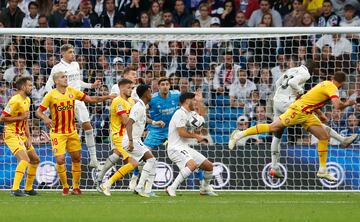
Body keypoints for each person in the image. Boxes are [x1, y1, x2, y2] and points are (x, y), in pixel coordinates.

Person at [229, 71, 357, 182]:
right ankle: (239, 134)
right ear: (343, 83)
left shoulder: (324, 83)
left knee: (323, 136)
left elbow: (308, 98)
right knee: (274, 127)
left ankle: (323, 169)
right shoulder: (332, 88)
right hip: (299, 110)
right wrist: (348, 103)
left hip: (306, 112)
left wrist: (320, 114)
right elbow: (337, 106)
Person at [267, 61, 358, 178]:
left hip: (277, 101)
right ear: (313, 70)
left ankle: (274, 167)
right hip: (289, 102)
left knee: (277, 135)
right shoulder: (306, 74)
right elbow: (292, 83)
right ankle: (342, 140)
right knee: (314, 123)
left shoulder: (292, 70)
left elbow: (278, 82)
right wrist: (299, 90)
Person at [36, 71, 115, 196]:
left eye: (66, 77)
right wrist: (45, 119)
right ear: (56, 81)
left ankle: (76, 187)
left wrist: (107, 97)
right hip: (57, 133)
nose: (66, 79)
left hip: (72, 131)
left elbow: (91, 99)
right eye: (63, 77)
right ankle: (65, 187)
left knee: (76, 158)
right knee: (60, 159)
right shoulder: (50, 95)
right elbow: (38, 112)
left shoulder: (72, 91)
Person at [102, 84, 165, 197]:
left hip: (136, 140)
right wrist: (131, 141)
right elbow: (129, 123)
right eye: (150, 92)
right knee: (151, 160)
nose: (151, 94)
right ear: (146, 94)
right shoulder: (138, 107)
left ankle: (108, 184)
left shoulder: (141, 106)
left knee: (140, 163)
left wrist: (155, 123)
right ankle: (141, 187)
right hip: (131, 140)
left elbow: (143, 120)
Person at [44, 44, 102, 168]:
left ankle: (93, 159)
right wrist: (56, 98)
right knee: (64, 130)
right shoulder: (57, 68)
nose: (73, 54)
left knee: (88, 126)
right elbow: (48, 86)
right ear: (63, 54)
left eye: (73, 52)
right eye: (70, 52)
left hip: (78, 100)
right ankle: (60, 159)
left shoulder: (76, 65)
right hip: (64, 102)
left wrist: (91, 86)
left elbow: (78, 82)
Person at [166, 92, 217, 197]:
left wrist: (200, 101)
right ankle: (172, 187)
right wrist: (196, 136)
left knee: (209, 166)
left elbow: (202, 117)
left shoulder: (192, 114)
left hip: (184, 148)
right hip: (175, 148)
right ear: (187, 101)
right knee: (192, 165)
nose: (195, 102)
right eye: (193, 100)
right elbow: (181, 133)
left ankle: (205, 188)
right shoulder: (179, 113)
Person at [0, 77, 40, 196]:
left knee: (35, 160)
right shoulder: (14, 100)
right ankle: (15, 189)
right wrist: (20, 117)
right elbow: (2, 118)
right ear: (23, 87)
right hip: (11, 134)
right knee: (24, 159)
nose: (31, 87)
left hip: (22, 134)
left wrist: (28, 137)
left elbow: (25, 120)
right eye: (29, 85)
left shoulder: (27, 99)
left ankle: (28, 188)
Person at [98, 79, 137, 196]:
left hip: (128, 135)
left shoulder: (131, 101)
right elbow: (125, 121)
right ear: (121, 88)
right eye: (128, 88)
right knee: (134, 163)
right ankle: (106, 184)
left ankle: (100, 178)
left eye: (132, 88)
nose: (131, 90)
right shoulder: (118, 102)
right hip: (119, 136)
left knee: (140, 160)